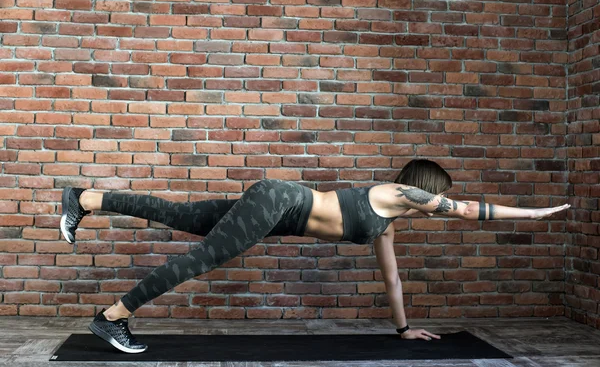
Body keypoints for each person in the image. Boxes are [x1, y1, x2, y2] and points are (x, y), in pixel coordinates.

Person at [60, 159, 570, 353]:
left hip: (275, 212)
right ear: (425, 189)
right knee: (203, 258)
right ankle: (114, 317)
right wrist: (534, 215)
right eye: (439, 196)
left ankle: (83, 199)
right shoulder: (398, 193)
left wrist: (402, 329)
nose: (440, 205)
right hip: (280, 200)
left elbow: (392, 282)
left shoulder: (386, 224)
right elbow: (467, 211)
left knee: (185, 216)